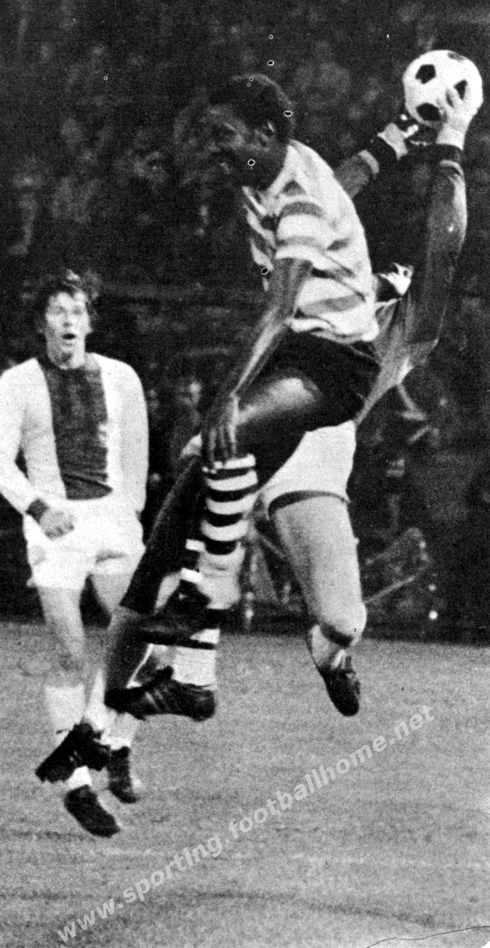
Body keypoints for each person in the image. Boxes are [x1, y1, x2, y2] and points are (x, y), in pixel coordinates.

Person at [38, 74, 473, 787]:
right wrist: (398, 135)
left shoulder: (392, 331)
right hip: (270, 413)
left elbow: (441, 249)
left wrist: (450, 147)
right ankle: (103, 731)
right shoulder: (310, 226)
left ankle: (326, 650)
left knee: (340, 619)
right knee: (162, 567)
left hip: (313, 455)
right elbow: (331, 189)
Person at [0, 270, 150, 836]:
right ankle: (77, 785)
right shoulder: (17, 383)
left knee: (145, 641)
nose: (69, 320)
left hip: (111, 520)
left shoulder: (121, 376)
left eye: (77, 311)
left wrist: (129, 511)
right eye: (58, 311)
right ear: (42, 323)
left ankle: (117, 745)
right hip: (55, 525)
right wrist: (39, 509)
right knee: (70, 651)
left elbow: (136, 450)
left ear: (90, 322)